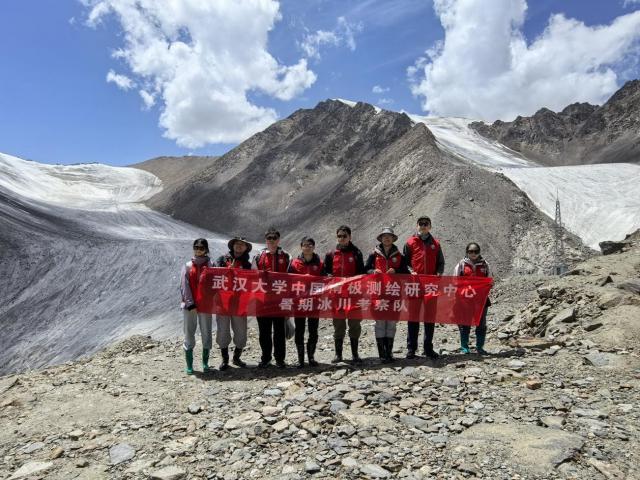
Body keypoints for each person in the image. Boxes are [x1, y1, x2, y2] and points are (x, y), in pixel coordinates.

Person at [365, 227, 409, 363]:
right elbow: (365, 269)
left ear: (393, 238)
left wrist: (396, 271)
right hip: (377, 293)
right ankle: (382, 354)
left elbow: (406, 272)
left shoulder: (400, 256)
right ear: (380, 238)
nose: (387, 238)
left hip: (393, 294)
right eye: (384, 236)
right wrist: (373, 271)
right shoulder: (374, 254)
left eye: (389, 236)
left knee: (391, 323)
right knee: (380, 322)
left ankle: (389, 353)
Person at [403, 216, 445, 360]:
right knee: (413, 317)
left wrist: (439, 273)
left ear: (430, 226)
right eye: (421, 224)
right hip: (415, 285)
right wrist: (410, 271)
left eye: (426, 224)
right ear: (417, 226)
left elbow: (441, 262)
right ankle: (411, 349)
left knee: (429, 317)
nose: (423, 226)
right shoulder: (409, 243)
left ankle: (428, 348)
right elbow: (405, 263)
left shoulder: (436, 244)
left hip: (431, 286)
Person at [323, 225, 366, 364]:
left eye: (344, 236)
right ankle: (338, 354)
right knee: (338, 325)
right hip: (337, 296)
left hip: (353, 295)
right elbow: (325, 273)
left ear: (350, 237)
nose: (342, 238)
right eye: (339, 236)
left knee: (354, 324)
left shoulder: (356, 253)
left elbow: (362, 273)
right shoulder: (330, 254)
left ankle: (355, 354)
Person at [253, 228, 291, 368]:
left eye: (274, 238)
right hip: (263, 300)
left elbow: (291, 278)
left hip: (280, 301)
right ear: (266, 240)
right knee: (264, 332)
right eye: (269, 238)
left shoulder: (286, 256)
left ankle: (280, 359)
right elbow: (252, 276)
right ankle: (266, 358)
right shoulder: (258, 256)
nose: (272, 240)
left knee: (279, 331)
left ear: (279, 240)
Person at [215, 236, 253, 370]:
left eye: (242, 245)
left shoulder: (248, 265)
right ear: (232, 246)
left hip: (240, 304)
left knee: (241, 332)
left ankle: (237, 357)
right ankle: (225, 359)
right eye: (237, 244)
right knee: (223, 331)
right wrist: (226, 271)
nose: (239, 246)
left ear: (246, 248)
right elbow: (213, 276)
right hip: (223, 303)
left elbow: (253, 283)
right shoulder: (221, 260)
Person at [180, 238, 214, 375]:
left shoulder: (212, 265)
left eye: (201, 247)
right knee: (189, 332)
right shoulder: (188, 265)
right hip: (190, 306)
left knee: (206, 332)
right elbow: (184, 285)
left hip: (205, 305)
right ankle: (190, 365)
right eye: (196, 247)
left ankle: (205, 363)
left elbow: (215, 284)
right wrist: (190, 303)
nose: (198, 250)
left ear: (206, 249)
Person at [288, 236, 324, 368]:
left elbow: (326, 280)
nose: (307, 247)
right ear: (301, 247)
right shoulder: (294, 263)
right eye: (305, 245)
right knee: (300, 330)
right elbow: (288, 281)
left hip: (314, 302)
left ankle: (311, 357)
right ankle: (301, 359)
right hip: (299, 302)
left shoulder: (320, 263)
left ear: (313, 247)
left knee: (313, 330)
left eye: (310, 245)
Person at [453, 242, 491, 354]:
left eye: (476, 251)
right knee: (465, 323)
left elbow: (490, 279)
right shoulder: (461, 264)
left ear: (479, 252)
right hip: (465, 299)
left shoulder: (485, 264)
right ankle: (465, 347)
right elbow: (455, 280)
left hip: (481, 299)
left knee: (481, 323)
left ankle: (480, 347)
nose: (473, 254)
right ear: (467, 252)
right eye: (471, 251)